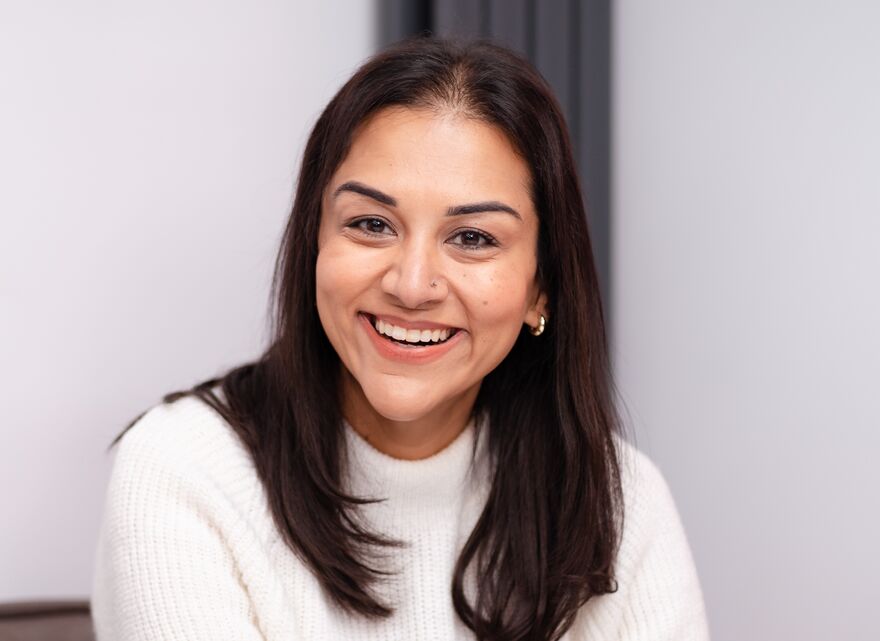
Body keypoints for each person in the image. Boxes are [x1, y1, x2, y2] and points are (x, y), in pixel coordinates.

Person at [91, 37, 710, 641]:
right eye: (371, 224)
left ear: (541, 286)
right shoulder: (185, 470)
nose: (412, 285)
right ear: (315, 242)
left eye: (472, 237)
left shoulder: (619, 500)